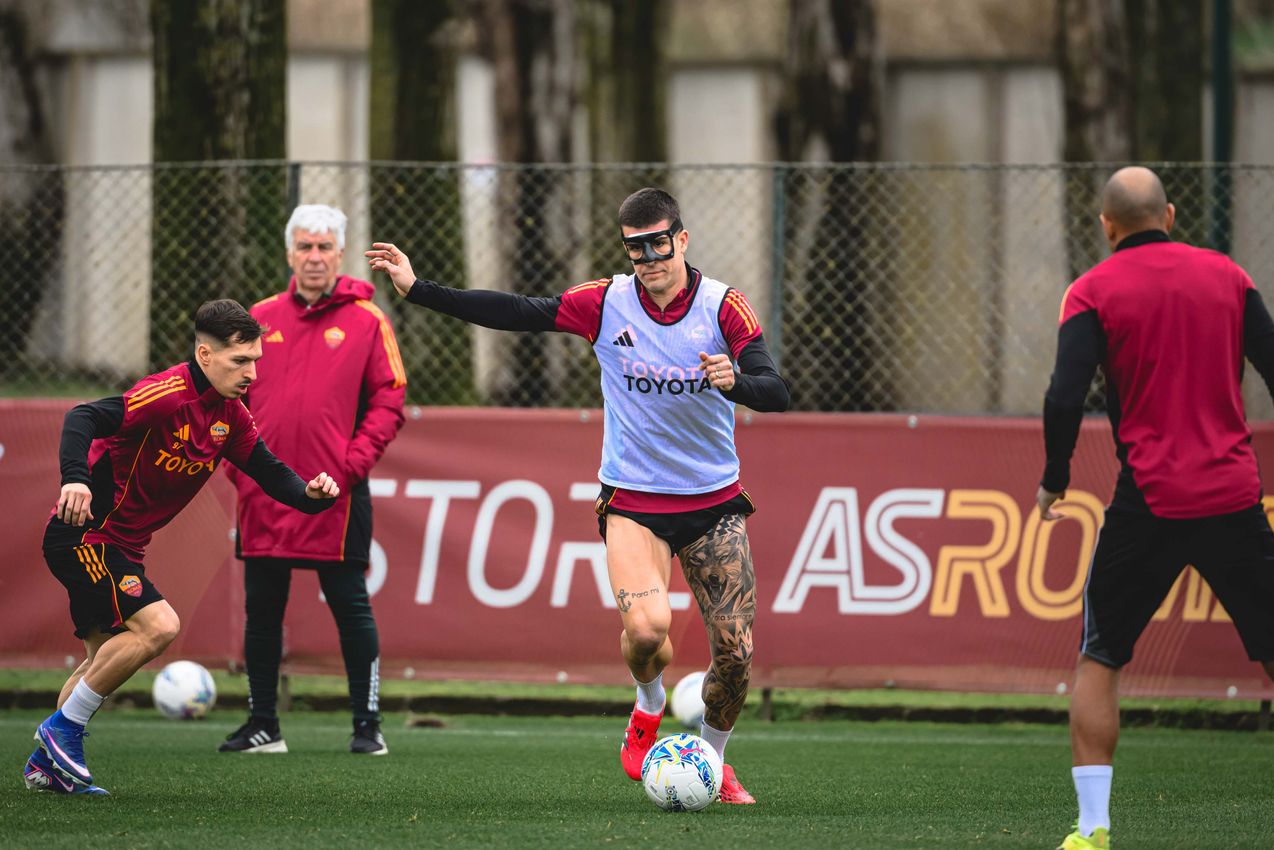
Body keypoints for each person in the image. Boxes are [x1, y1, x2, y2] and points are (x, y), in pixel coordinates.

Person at [366, 187, 790, 804]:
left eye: (660, 243)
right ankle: (647, 705)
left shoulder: (725, 307)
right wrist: (418, 288)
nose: (650, 258)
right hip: (634, 501)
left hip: (713, 502)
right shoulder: (607, 303)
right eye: (636, 248)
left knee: (735, 654)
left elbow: (776, 390)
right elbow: (516, 310)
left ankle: (712, 759)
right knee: (648, 634)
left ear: (683, 239)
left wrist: (737, 381)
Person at [1038, 166, 1274, 850]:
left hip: (1150, 503)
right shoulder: (1229, 278)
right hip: (1232, 496)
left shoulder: (1092, 291)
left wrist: (1054, 478)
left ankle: (1092, 830)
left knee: (1101, 657)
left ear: (1108, 226)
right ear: (1169, 215)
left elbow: (1063, 396)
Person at [25, 300, 340, 796]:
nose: (252, 373)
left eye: (256, 360)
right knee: (160, 625)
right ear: (204, 354)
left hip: (121, 546)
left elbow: (267, 470)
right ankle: (62, 732)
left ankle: (48, 765)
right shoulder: (167, 394)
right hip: (86, 535)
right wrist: (75, 480)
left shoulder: (230, 416)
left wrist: (309, 495)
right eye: (240, 361)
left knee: (101, 660)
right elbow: (82, 417)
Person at [219, 204, 406, 756]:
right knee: (262, 611)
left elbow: (390, 401)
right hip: (265, 492)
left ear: (340, 254)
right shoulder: (257, 318)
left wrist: (348, 470)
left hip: (338, 495)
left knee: (351, 606)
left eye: (325, 246)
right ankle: (262, 724)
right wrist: (241, 467)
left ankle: (367, 726)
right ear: (289, 253)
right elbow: (228, 398)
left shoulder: (369, 320)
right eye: (305, 246)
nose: (315, 256)